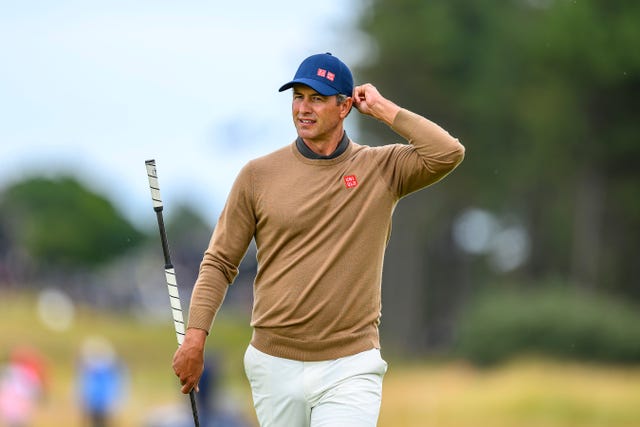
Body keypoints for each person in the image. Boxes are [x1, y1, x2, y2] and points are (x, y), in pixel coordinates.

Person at [173, 52, 465, 426]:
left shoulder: (381, 168)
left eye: (318, 98)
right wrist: (196, 339)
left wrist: (382, 109)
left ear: (345, 106)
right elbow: (219, 262)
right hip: (273, 362)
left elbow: (447, 153)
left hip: (350, 364)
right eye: (298, 97)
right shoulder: (258, 175)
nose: (304, 109)